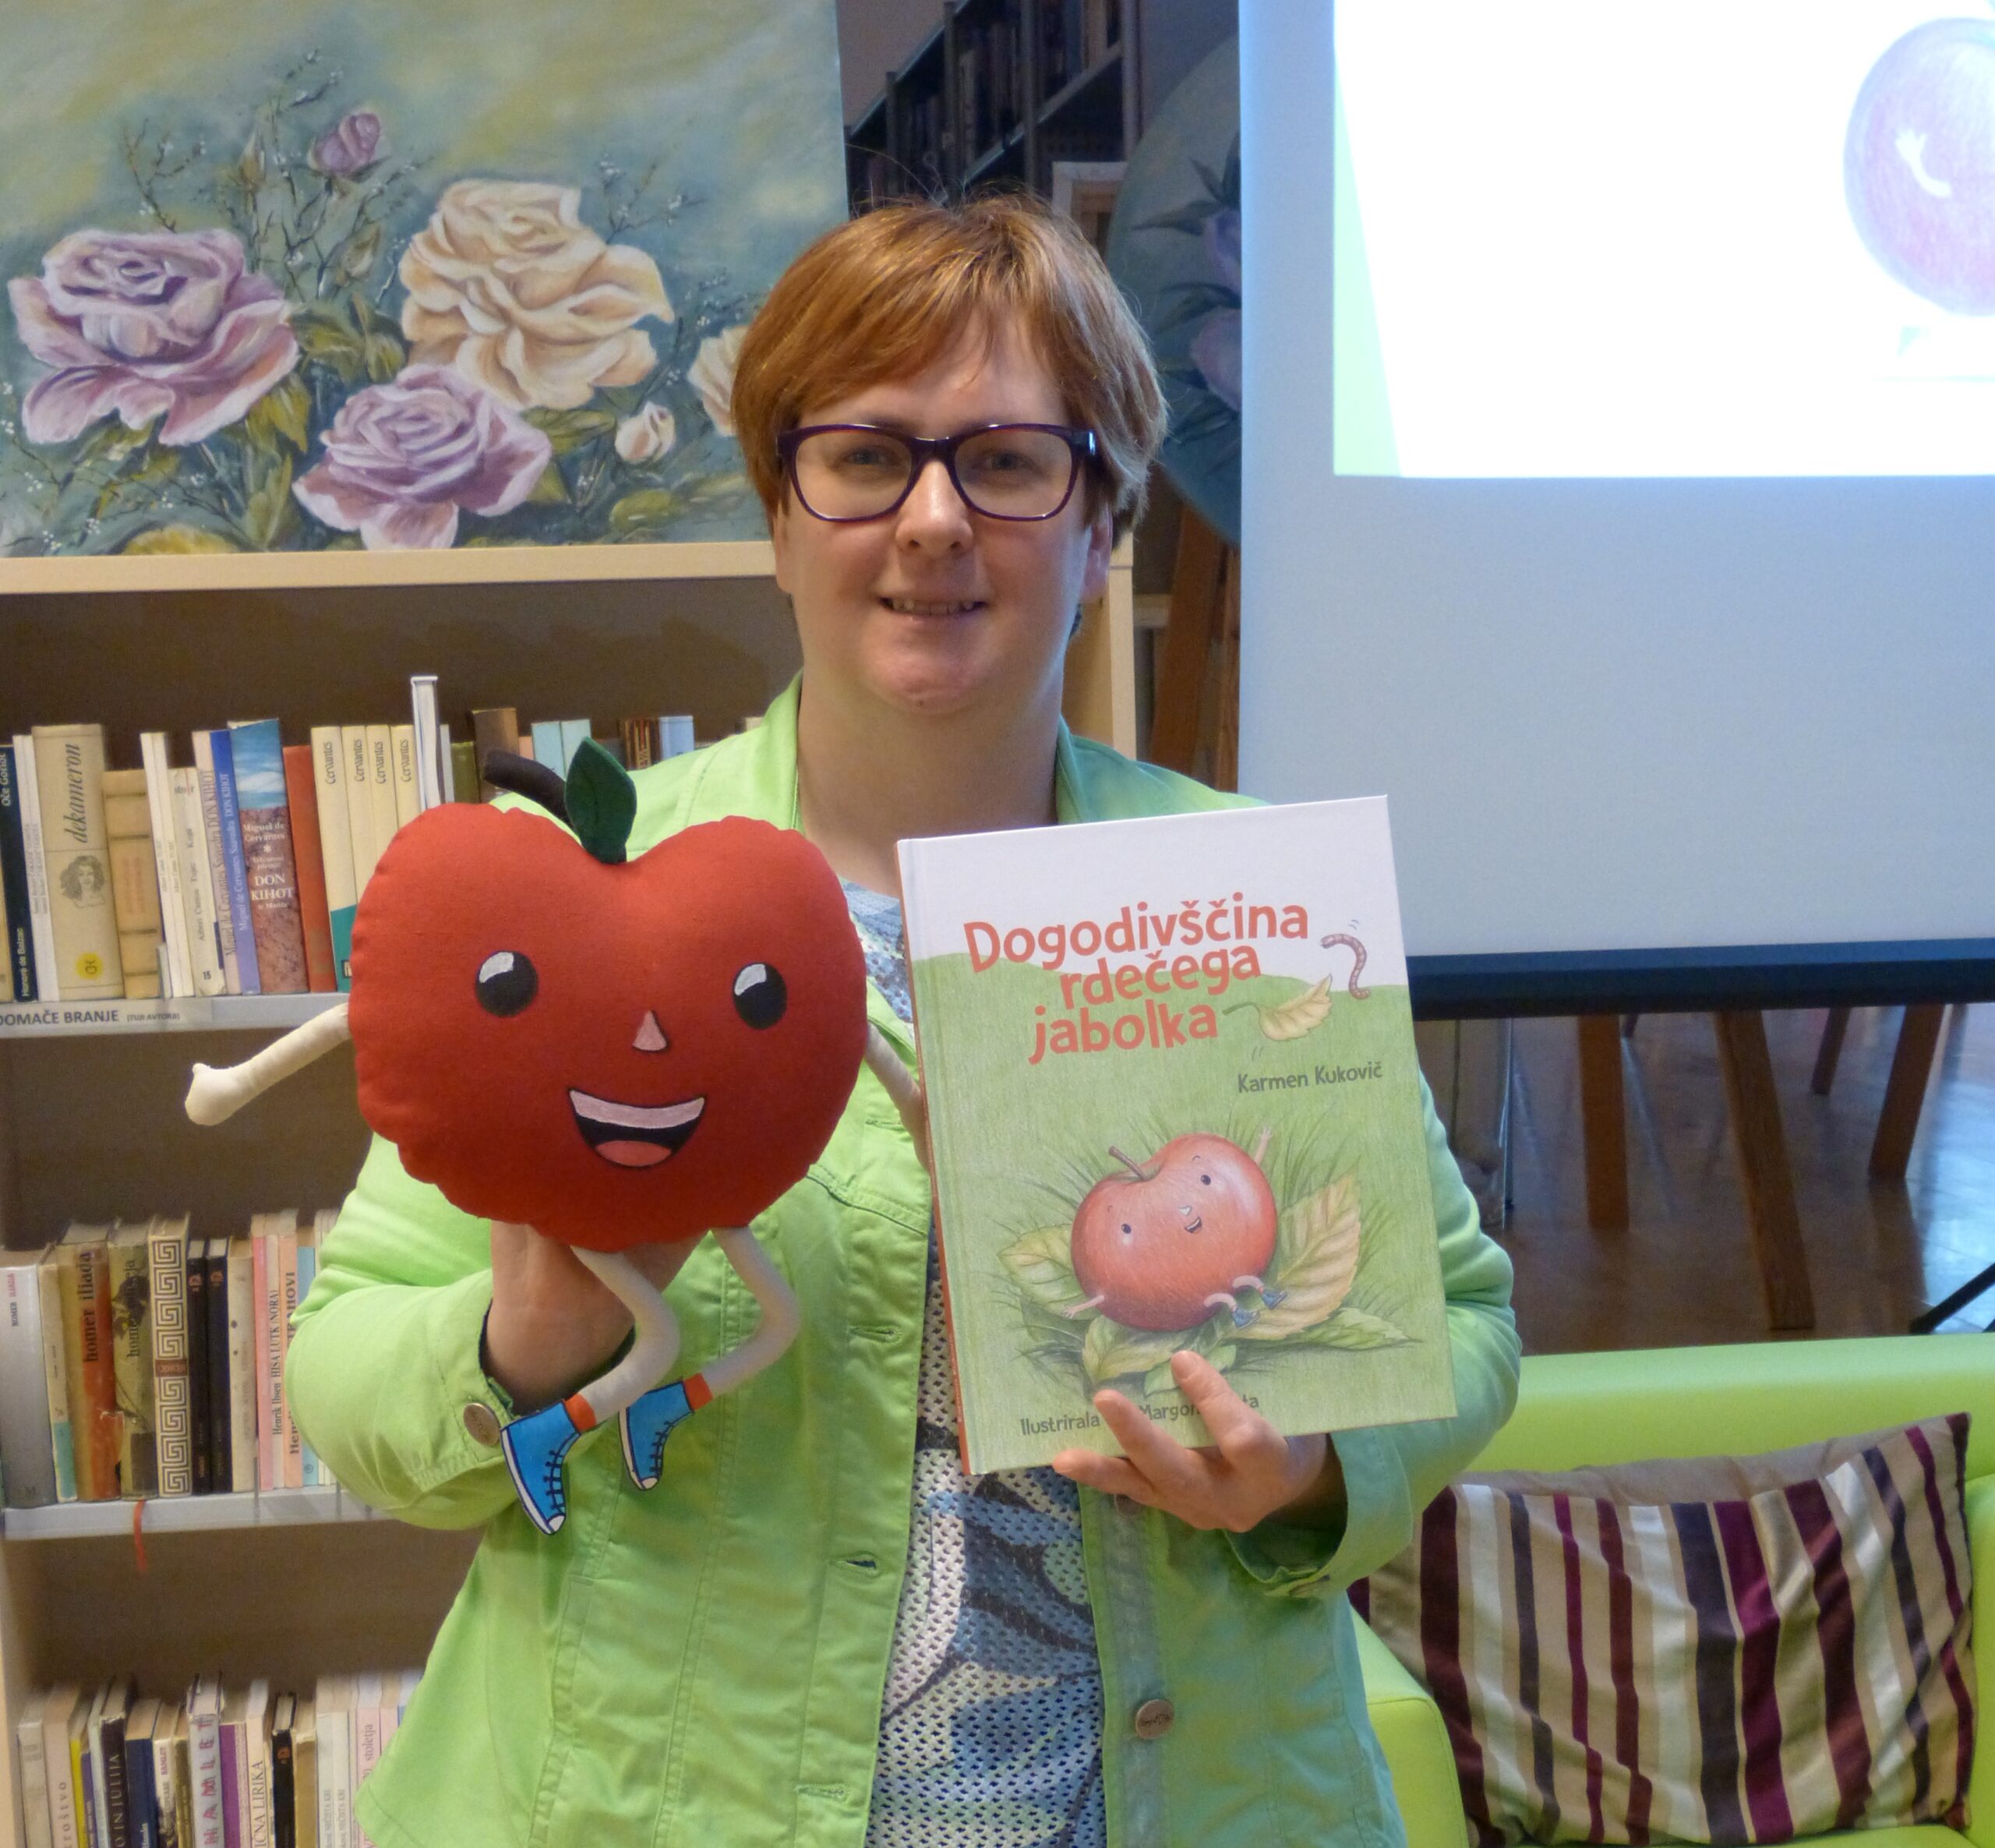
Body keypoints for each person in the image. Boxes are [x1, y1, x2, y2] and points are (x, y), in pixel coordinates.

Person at [287, 193, 1520, 1848]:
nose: (933, 520)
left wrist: (1306, 1471)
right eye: (865, 457)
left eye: (1007, 461)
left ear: (1102, 525)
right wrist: (521, 1355)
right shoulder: (587, 892)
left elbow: (1461, 1321)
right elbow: (345, 1369)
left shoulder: (1241, 904)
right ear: (778, 517)